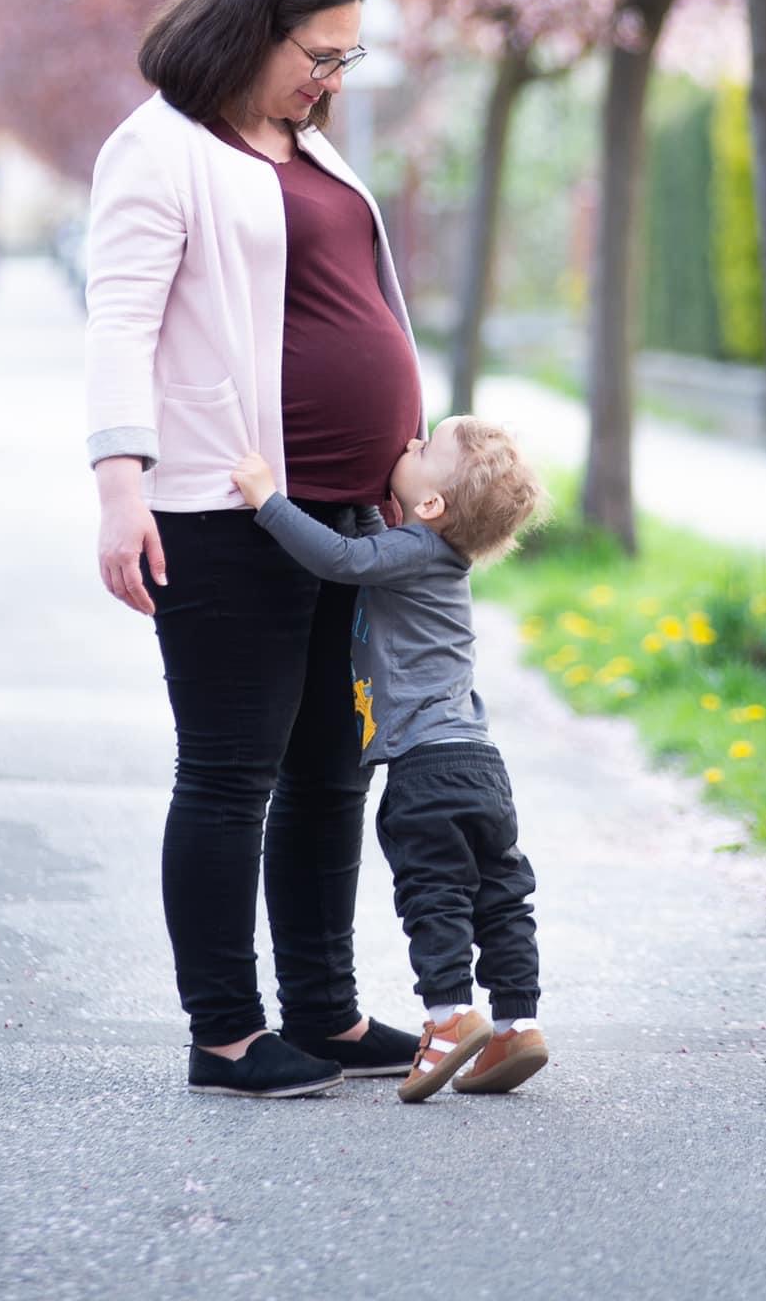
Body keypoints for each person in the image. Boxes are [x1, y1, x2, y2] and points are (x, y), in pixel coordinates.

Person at [86, 0, 424, 1099]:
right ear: (252, 30)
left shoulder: (306, 146)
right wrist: (119, 483)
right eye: (318, 53)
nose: (331, 78)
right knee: (232, 768)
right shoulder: (160, 148)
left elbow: (356, 298)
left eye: (347, 57)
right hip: (221, 509)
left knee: (336, 766)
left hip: (348, 513)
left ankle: (323, 1012)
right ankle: (225, 1031)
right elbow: (121, 322)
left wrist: (407, 451)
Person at [232, 414, 549, 1103]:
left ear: (431, 507)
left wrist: (268, 500)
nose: (406, 442)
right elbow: (371, 550)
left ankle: (448, 1017)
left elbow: (343, 562)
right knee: (500, 896)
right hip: (481, 763)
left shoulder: (415, 550)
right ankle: (518, 1023)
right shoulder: (434, 554)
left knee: (432, 896)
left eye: (423, 446)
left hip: (426, 770)